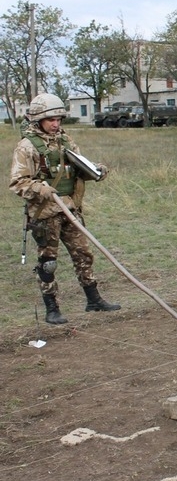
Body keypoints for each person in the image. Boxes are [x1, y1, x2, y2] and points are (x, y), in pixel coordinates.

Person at [10, 93, 120, 325]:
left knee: (83, 255)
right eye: (51, 120)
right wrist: (40, 189)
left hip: (71, 209)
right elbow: (18, 183)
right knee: (48, 261)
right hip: (45, 214)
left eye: (58, 119)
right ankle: (52, 308)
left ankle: (94, 300)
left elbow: (78, 168)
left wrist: (96, 171)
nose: (56, 123)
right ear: (38, 120)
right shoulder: (27, 147)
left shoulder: (65, 141)